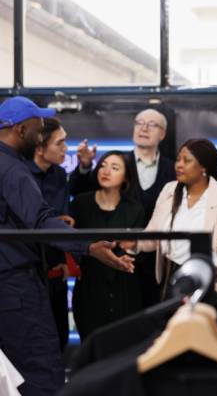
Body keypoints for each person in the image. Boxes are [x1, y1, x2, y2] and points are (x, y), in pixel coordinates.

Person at [0, 96, 135, 396]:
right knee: (41, 374)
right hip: (16, 288)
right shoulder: (12, 169)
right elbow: (40, 221)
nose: (40, 136)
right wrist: (89, 246)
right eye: (38, 129)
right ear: (21, 130)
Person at [69, 109, 175, 307]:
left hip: (156, 263)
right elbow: (80, 193)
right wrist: (85, 166)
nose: (144, 128)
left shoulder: (173, 169)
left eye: (152, 124)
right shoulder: (118, 163)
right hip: (113, 263)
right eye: (139, 122)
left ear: (162, 134)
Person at [122, 138, 217, 299]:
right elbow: (154, 235)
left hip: (208, 279)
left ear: (204, 167)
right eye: (178, 160)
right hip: (171, 277)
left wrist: (207, 267)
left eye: (187, 161)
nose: (179, 165)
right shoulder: (169, 190)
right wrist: (135, 243)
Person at [70, 151, 145, 340]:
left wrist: (131, 250)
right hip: (90, 289)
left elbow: (139, 252)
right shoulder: (80, 204)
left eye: (115, 167)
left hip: (124, 290)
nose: (106, 171)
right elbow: (72, 245)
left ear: (126, 177)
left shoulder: (135, 209)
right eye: (103, 165)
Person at [26, 117, 72, 351]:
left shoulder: (60, 175)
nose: (66, 148)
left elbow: (61, 216)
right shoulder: (19, 175)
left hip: (56, 270)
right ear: (39, 147)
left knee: (59, 338)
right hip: (26, 273)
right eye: (59, 143)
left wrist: (62, 258)